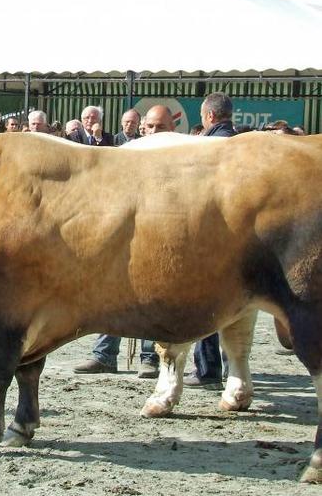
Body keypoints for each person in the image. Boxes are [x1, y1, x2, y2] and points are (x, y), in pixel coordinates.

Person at [73, 105, 174, 379]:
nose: (153, 132)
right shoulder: (129, 153)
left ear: (172, 128)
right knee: (114, 295)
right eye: (150, 127)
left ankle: (149, 357)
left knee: (152, 298)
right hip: (125, 235)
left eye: (160, 127)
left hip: (159, 235)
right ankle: (104, 355)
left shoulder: (176, 158)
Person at [184, 92, 236, 390]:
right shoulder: (238, 143)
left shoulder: (208, 146)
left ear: (210, 117)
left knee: (207, 303)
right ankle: (234, 369)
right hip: (235, 233)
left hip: (211, 232)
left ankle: (207, 370)